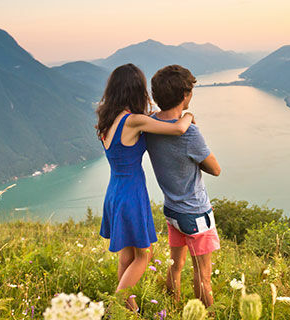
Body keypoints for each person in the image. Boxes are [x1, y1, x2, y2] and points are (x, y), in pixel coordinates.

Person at [96, 63, 195, 312]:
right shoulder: (133, 121)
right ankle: (113, 308)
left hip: (115, 191)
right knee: (144, 255)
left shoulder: (109, 120)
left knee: (127, 255)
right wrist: (189, 116)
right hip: (131, 194)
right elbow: (178, 128)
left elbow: (149, 123)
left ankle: (129, 308)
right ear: (135, 89)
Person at [145, 65, 221, 307]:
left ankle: (173, 308)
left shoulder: (150, 125)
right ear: (185, 95)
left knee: (175, 266)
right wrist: (189, 121)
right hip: (195, 212)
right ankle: (207, 315)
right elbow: (215, 169)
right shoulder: (189, 134)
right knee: (203, 275)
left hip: (172, 211)